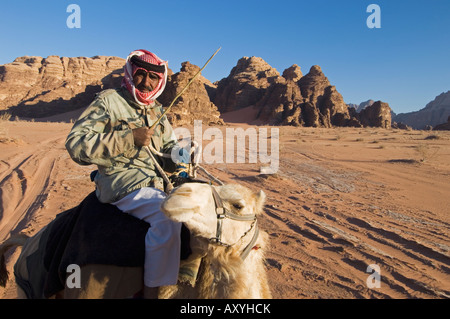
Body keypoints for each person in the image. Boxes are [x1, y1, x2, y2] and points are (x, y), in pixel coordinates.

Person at [65, 49, 188, 298]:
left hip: (157, 184)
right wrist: (128, 138)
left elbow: (166, 152)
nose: (146, 82)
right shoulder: (109, 101)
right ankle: (152, 294)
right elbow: (77, 145)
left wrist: (180, 155)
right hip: (121, 182)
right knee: (167, 218)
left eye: (153, 77)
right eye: (141, 74)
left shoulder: (158, 112)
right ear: (131, 73)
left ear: (160, 81)